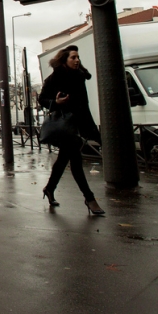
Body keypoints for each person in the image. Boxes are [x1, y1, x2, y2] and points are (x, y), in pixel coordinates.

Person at [38, 45, 105, 215]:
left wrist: (92, 130)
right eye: (73, 57)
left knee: (63, 160)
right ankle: (90, 199)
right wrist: (56, 103)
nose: (76, 60)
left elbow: (84, 106)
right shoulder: (54, 79)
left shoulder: (80, 77)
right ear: (64, 60)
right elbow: (42, 99)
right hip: (64, 126)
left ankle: (49, 189)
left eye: (77, 57)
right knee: (76, 162)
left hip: (79, 123)